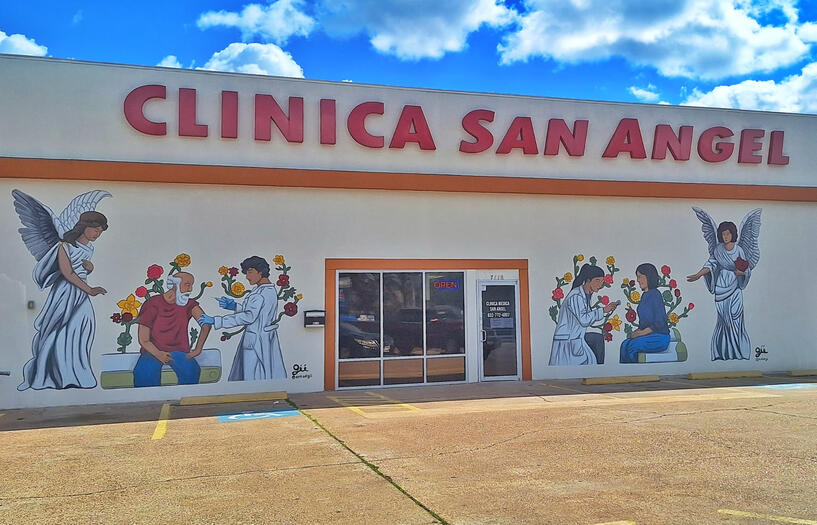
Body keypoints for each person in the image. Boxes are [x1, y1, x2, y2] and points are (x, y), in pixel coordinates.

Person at [17, 208, 109, 390]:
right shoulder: (64, 246)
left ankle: (74, 373)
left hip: (81, 293)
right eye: (95, 229)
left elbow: (81, 270)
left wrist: (89, 269)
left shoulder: (88, 248)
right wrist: (89, 289)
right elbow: (68, 273)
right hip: (66, 293)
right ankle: (50, 374)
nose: (98, 234)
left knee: (82, 329)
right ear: (84, 226)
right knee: (58, 331)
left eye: (100, 231)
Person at [687, 209, 760, 360]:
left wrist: (742, 273)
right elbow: (711, 264)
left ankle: (738, 352)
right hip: (721, 288)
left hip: (735, 287)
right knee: (724, 321)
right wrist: (698, 274)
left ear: (733, 234)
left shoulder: (739, 249)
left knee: (735, 318)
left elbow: (745, 268)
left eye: (728, 233)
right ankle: (723, 352)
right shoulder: (718, 250)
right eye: (723, 234)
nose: (725, 236)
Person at [199, 256, 286, 381]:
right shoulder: (269, 290)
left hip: (254, 341)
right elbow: (257, 314)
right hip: (264, 338)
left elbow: (249, 317)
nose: (247, 276)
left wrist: (216, 320)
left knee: (251, 375)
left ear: (260, 272)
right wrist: (234, 306)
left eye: (250, 272)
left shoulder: (259, 294)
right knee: (264, 373)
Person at [133, 272, 211, 387]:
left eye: (191, 285)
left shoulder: (189, 304)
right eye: (187, 284)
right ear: (175, 284)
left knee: (192, 372)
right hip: (152, 351)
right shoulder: (152, 304)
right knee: (144, 374)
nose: (190, 289)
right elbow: (143, 339)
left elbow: (206, 324)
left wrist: (198, 349)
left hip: (179, 352)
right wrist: (158, 354)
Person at [549, 264, 619, 366]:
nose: (600, 284)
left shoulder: (586, 295)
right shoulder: (576, 296)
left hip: (575, 338)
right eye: (597, 280)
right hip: (567, 342)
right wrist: (603, 310)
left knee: (597, 340)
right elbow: (584, 320)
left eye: (602, 281)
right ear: (588, 280)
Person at [620, 263, 670, 363]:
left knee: (633, 346)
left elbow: (659, 322)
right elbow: (644, 322)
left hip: (660, 337)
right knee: (625, 344)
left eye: (639, 277)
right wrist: (638, 331)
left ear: (648, 277)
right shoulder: (644, 296)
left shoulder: (655, 294)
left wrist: (641, 333)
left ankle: (635, 372)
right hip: (648, 335)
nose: (638, 280)